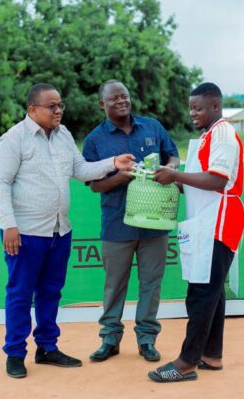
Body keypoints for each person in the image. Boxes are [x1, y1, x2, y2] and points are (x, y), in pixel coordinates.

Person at [0, 83, 135, 379]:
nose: (58, 111)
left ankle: (47, 347)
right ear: (33, 110)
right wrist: (9, 225)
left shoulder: (64, 135)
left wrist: (113, 163)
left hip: (59, 230)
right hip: (25, 232)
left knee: (51, 292)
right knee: (20, 294)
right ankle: (15, 353)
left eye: (61, 105)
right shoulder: (14, 139)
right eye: (52, 106)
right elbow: (1, 182)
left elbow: (80, 170)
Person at [148, 82, 244, 383]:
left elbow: (217, 180)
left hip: (219, 221)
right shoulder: (208, 136)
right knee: (212, 292)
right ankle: (211, 356)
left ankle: (187, 362)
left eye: (199, 108)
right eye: (191, 108)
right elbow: (199, 181)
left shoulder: (223, 135)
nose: (193, 113)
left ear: (216, 106)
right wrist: (171, 179)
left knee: (202, 294)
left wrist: (176, 174)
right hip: (207, 220)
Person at [83, 80, 180, 363]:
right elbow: (94, 185)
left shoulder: (152, 127)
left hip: (155, 222)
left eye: (124, 96)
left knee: (151, 283)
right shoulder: (94, 140)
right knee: (114, 285)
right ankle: (110, 339)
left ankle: (147, 340)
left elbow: (173, 155)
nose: (121, 102)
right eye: (114, 98)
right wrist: (121, 177)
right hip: (117, 224)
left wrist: (169, 168)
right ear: (102, 104)